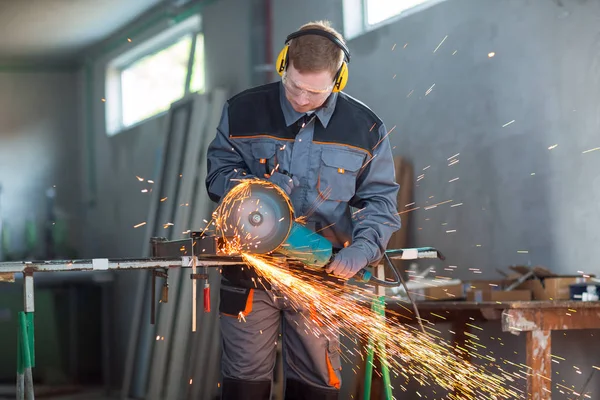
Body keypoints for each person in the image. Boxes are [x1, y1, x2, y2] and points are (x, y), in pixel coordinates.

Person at [205, 20, 401, 400]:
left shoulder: (365, 128)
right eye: (294, 86)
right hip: (250, 273)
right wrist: (255, 191)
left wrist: (361, 251)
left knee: (316, 385)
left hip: (319, 275)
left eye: (315, 91)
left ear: (338, 80)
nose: (301, 98)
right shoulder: (243, 111)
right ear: (283, 65)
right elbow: (217, 176)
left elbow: (380, 202)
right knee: (243, 386)